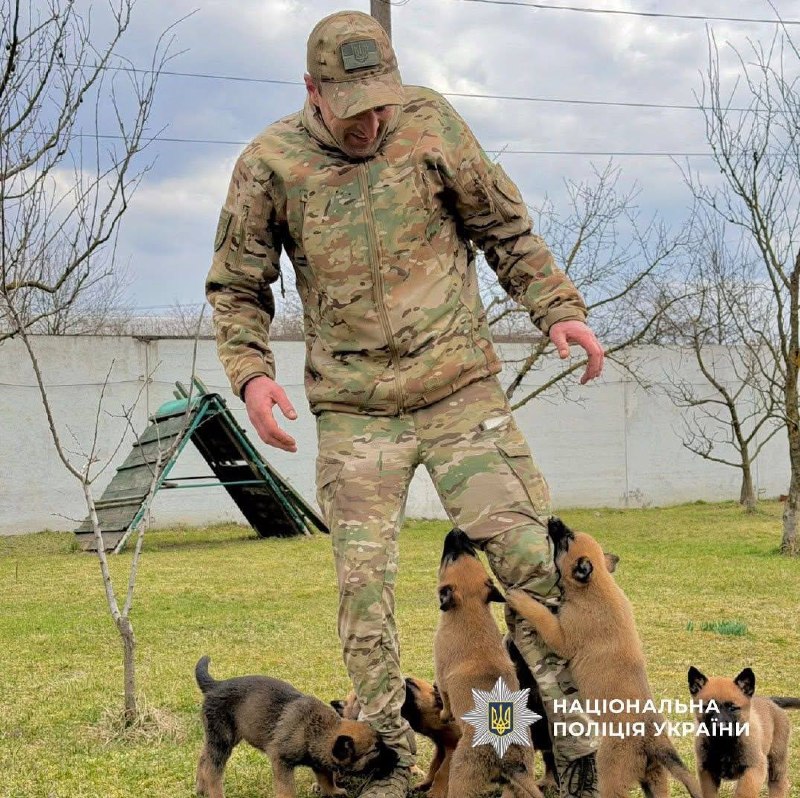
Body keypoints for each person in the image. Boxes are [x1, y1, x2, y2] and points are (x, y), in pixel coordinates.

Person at [206, 10, 605, 798]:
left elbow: (505, 229)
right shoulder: (270, 164)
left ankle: (571, 752)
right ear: (312, 91)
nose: (370, 124)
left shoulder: (432, 126)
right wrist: (252, 375)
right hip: (357, 411)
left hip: (460, 392)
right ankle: (386, 764)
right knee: (365, 594)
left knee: (531, 567)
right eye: (351, 111)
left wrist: (558, 308)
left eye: (380, 104)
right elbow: (237, 285)